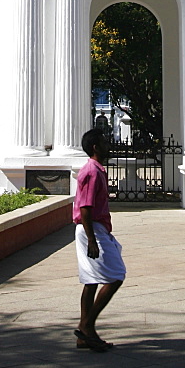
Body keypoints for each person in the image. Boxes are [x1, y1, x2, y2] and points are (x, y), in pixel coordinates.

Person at [73, 128, 125, 352]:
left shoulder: (95, 170)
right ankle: (86, 326)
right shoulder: (92, 172)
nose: (108, 145)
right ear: (95, 147)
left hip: (94, 228)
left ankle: (85, 337)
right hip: (90, 229)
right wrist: (93, 240)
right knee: (116, 275)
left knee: (92, 280)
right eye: (104, 142)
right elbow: (85, 207)